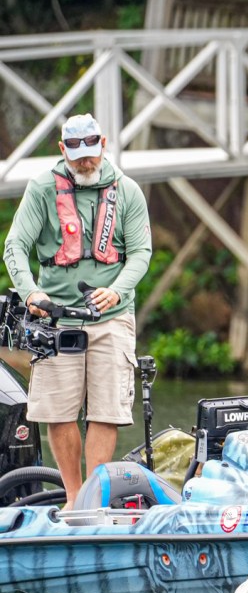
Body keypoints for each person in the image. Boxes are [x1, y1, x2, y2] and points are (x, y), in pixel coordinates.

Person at [3, 113, 152, 508]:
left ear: (103, 144)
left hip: (112, 317)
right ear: (62, 149)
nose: (85, 159)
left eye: (91, 149)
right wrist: (31, 293)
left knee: (106, 411)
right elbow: (14, 246)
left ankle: (94, 499)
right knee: (58, 411)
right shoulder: (41, 189)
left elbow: (141, 253)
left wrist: (117, 291)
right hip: (56, 319)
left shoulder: (128, 191)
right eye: (76, 151)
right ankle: (73, 498)